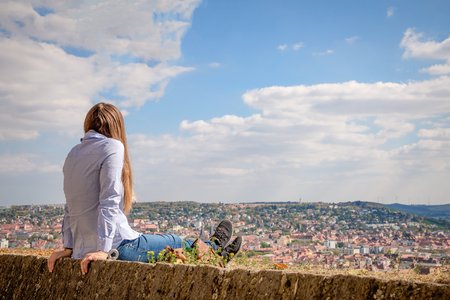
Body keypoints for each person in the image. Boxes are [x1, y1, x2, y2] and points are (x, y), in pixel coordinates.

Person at [48, 102, 242, 275]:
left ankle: (215, 251)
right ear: (116, 126)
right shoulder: (112, 147)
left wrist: (69, 247)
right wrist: (105, 250)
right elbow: (109, 200)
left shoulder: (73, 153)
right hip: (121, 245)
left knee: (169, 242)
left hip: (82, 248)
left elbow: (70, 205)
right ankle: (215, 248)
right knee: (175, 241)